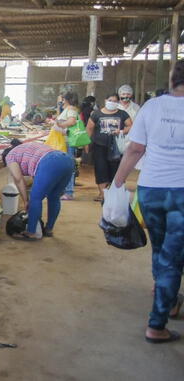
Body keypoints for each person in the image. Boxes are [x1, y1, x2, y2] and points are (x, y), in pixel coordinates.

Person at [112, 60, 184, 344]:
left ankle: (165, 293)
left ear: (172, 79)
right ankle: (157, 325)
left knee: (162, 249)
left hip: (151, 189)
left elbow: (134, 149)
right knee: (172, 259)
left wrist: (117, 183)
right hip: (181, 192)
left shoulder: (152, 107)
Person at [2, 140, 73, 240]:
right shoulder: (25, 149)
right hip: (67, 161)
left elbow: (18, 179)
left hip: (51, 162)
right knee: (54, 197)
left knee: (35, 198)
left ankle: (31, 232)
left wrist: (26, 200)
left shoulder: (9, 156)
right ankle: (49, 229)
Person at [86, 93, 132, 202]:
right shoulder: (96, 114)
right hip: (99, 146)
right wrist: (86, 144)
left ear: (118, 103)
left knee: (115, 169)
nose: (112, 102)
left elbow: (131, 126)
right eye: (110, 100)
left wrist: (121, 131)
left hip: (116, 147)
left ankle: (114, 194)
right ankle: (103, 194)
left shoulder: (122, 114)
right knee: (100, 169)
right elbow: (89, 128)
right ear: (106, 100)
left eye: (115, 101)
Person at [54, 92, 79, 201]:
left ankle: (69, 192)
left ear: (66, 99)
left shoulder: (71, 109)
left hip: (68, 141)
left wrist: (60, 125)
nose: (61, 101)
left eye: (62, 99)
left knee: (68, 166)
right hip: (64, 141)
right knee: (65, 165)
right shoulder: (68, 109)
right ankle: (65, 190)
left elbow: (72, 121)